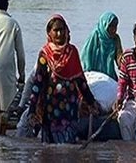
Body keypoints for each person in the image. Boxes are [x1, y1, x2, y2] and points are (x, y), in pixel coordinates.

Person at [27, 14, 99, 144]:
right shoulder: (45, 54)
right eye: (56, 30)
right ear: (49, 32)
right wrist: (32, 109)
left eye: (62, 29)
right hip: (50, 109)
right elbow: (38, 82)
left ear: (66, 30)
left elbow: (81, 81)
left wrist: (91, 102)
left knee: (68, 145)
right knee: (50, 148)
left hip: (69, 109)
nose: (59, 34)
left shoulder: (72, 52)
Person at [80, 11, 123, 81]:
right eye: (111, 26)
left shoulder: (115, 39)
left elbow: (119, 57)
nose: (114, 29)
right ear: (105, 25)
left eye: (115, 26)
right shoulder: (95, 36)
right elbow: (86, 57)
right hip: (94, 76)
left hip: (109, 76)